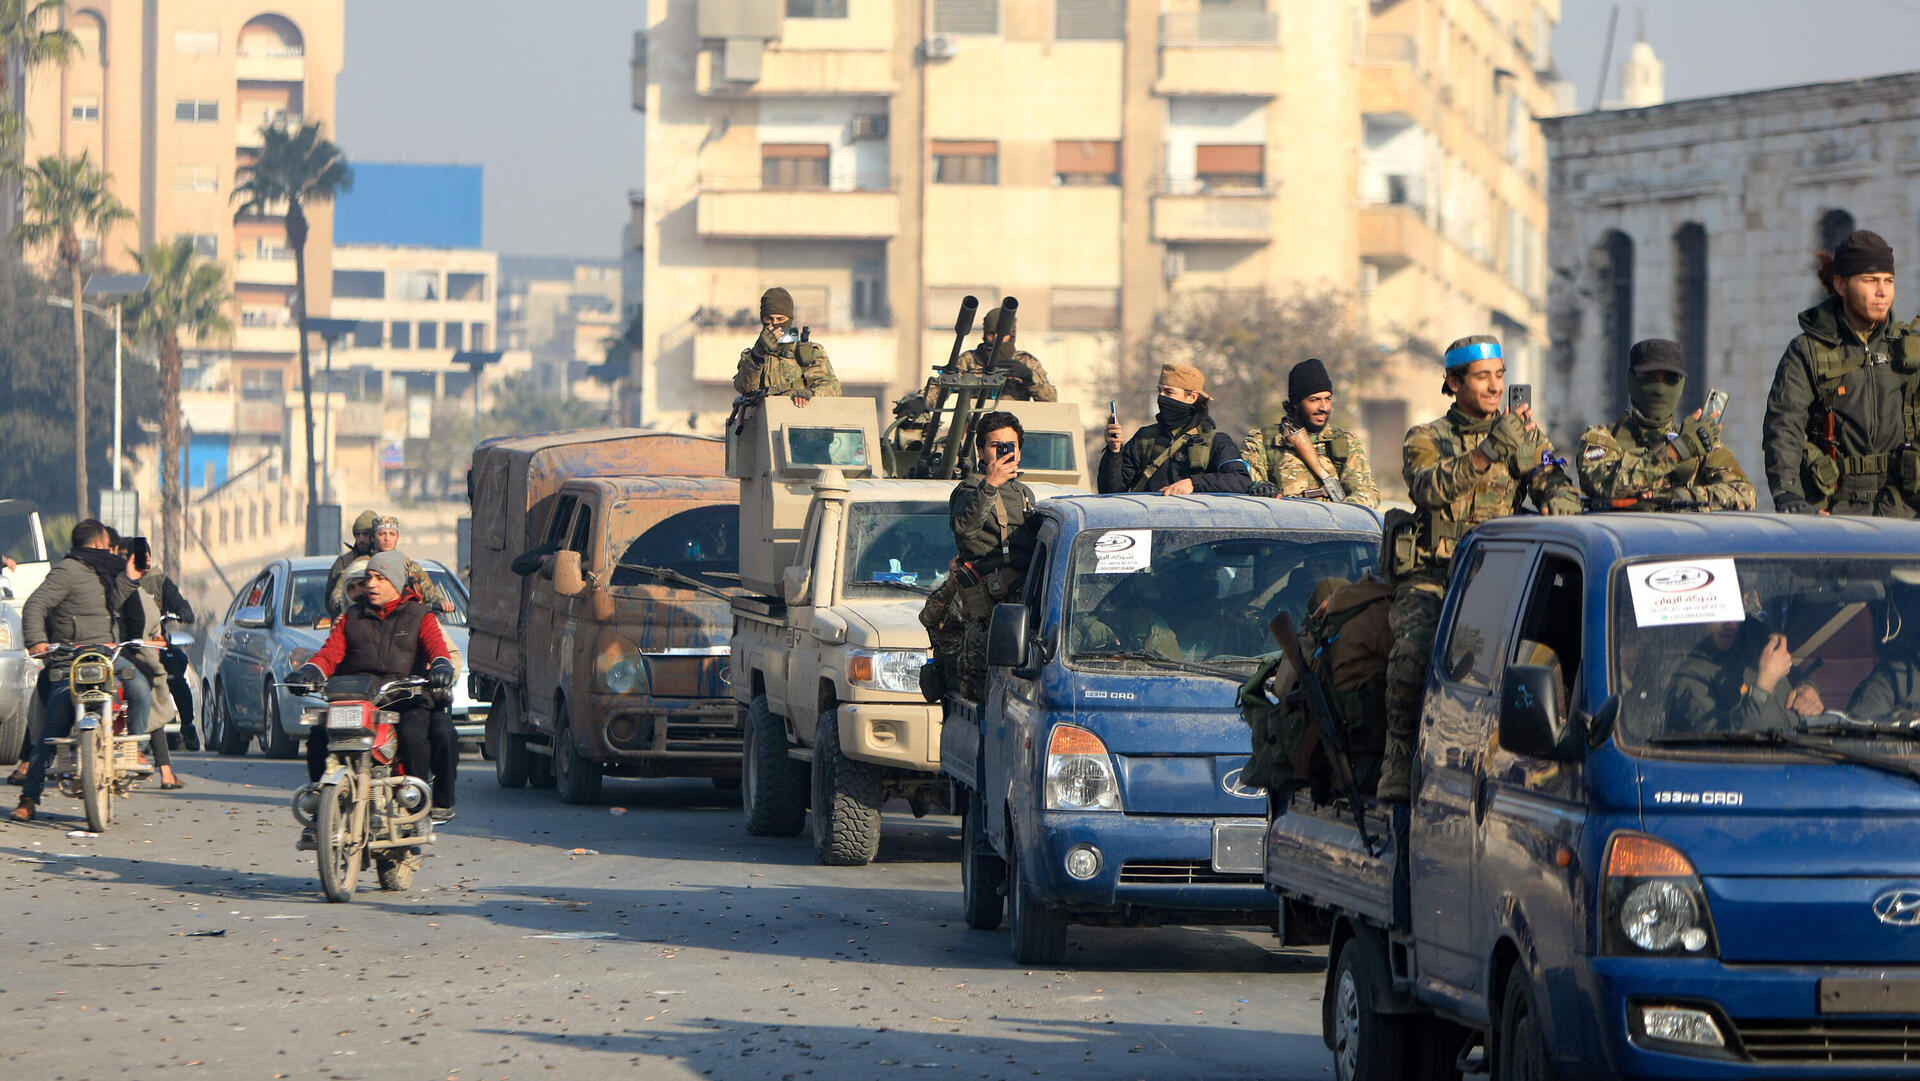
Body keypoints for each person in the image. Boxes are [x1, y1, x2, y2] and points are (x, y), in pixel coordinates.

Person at [1378, 335, 1582, 803]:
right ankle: (1397, 754)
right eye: (1482, 376)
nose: (1495, 387)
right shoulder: (1425, 438)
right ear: (1454, 382)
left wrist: (1560, 505)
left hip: (1499, 577)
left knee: (1546, 655)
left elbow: (1554, 481)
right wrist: (1489, 450)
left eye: (1500, 375)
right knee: (1413, 652)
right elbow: (1430, 489)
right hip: (1436, 575)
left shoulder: (1522, 436)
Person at [290, 551, 460, 840]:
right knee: (320, 734)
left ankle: (415, 804)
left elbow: (437, 649)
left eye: (380, 578)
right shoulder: (351, 617)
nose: (371, 584)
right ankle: (321, 809)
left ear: (395, 582)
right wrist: (310, 672)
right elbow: (329, 653)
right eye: (369, 577)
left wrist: (441, 666)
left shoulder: (420, 615)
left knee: (414, 733)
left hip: (404, 696)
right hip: (357, 698)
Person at [1762, 229, 1917, 515]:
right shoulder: (1807, 351)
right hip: (1835, 512)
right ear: (1841, 284)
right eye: (1870, 281)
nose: (1882, 291)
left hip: (1903, 511)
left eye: (1889, 281)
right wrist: (1789, 495)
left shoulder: (1909, 350)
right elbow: (1784, 427)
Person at [11, 520, 150, 821]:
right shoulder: (67, 571)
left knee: (140, 689)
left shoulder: (109, 571)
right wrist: (37, 642)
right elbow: (35, 604)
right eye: (107, 546)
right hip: (71, 658)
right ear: (99, 546)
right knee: (51, 727)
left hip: (108, 656)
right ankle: (28, 797)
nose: (111, 551)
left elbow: (116, 600)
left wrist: (133, 578)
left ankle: (135, 748)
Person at [1578, 338, 1756, 512]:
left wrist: (1685, 497)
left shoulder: (1697, 441)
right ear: (1631, 379)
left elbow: (1745, 494)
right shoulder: (1602, 438)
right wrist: (1677, 451)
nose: (1659, 388)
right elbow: (1604, 484)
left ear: (1681, 383)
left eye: (1670, 378)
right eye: (1649, 377)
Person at [948, 411, 1038, 699]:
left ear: (1020, 452)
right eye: (995, 446)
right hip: (989, 616)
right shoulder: (971, 489)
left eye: (1009, 446)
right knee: (985, 701)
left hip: (1022, 611)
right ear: (980, 451)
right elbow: (964, 528)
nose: (1003, 452)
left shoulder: (1024, 493)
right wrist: (991, 485)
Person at [1098, 363, 1252, 495]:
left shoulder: (1216, 442)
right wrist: (1114, 451)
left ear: (1192, 397)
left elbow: (1240, 480)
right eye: (1160, 391)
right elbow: (1110, 491)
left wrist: (1193, 483)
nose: (1161, 398)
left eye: (1169, 392)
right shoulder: (1145, 438)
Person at [1243, 358, 1378, 506]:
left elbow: (1366, 493)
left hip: (1333, 525)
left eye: (1327, 399)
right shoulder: (1262, 441)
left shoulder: (1344, 442)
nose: (1324, 407)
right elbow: (1248, 485)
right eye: (1314, 400)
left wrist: (1340, 512)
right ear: (1295, 403)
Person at [1667, 617, 1820, 733]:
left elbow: (1789, 672)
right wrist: (1764, 686)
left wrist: (1805, 689)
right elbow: (1733, 750)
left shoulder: (1752, 635)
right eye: (1720, 613)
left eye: (1734, 611)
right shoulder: (1688, 679)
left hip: (1806, 755)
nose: (1730, 624)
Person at [733, 287, 840, 406]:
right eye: (769, 318)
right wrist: (758, 353)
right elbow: (744, 387)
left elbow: (831, 387)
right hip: (763, 418)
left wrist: (809, 394)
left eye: (780, 319)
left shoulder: (807, 352)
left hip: (796, 416)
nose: (774, 324)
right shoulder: (752, 357)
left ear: (789, 319)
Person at [330, 516, 451, 616]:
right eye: (382, 534)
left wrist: (441, 602)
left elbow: (429, 591)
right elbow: (339, 595)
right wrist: (345, 603)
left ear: (397, 537)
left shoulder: (409, 567)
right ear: (373, 537)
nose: (387, 538)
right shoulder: (360, 565)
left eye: (392, 534)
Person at [323, 510, 380, 618]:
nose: (361, 539)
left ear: (374, 536)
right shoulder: (343, 563)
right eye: (357, 535)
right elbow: (331, 600)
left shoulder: (385, 561)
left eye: (365, 534)